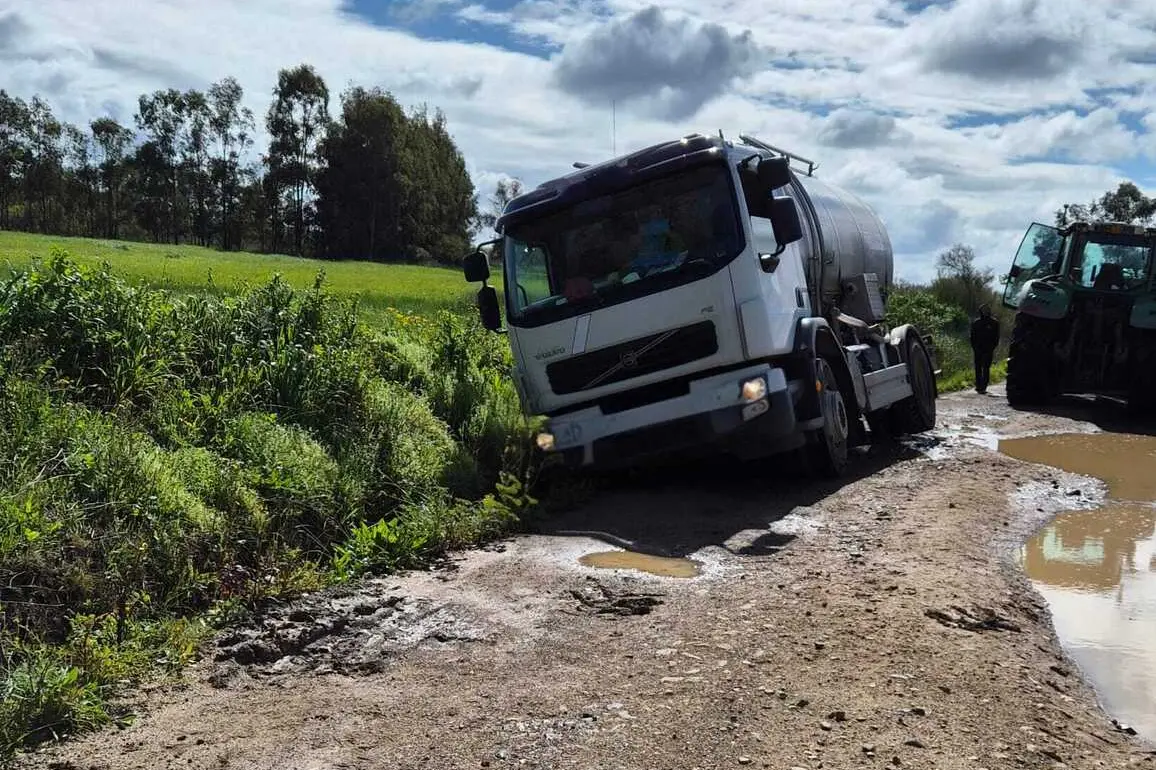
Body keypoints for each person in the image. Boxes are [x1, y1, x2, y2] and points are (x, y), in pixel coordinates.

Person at [969, 304, 1000, 394]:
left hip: (988, 349)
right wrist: (974, 347)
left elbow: (996, 337)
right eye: (983, 310)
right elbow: (972, 336)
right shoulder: (976, 323)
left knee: (986, 367)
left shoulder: (994, 323)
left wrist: (992, 347)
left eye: (986, 310)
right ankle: (979, 385)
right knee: (978, 367)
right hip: (978, 348)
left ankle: (984, 386)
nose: (985, 312)